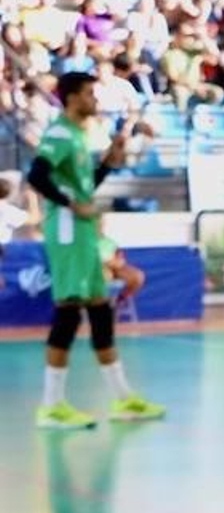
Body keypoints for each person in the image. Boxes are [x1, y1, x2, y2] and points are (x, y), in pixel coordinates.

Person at [26, 72, 166, 430]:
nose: (94, 99)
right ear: (71, 98)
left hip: (85, 234)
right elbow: (37, 176)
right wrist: (71, 204)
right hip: (70, 232)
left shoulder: (77, 136)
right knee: (69, 313)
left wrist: (107, 163)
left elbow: (84, 187)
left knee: (101, 313)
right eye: (89, 93)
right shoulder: (59, 133)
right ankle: (51, 405)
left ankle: (123, 398)